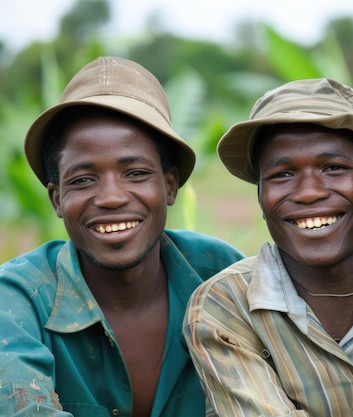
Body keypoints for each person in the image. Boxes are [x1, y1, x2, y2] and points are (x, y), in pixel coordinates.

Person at [182, 78, 353, 417]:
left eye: (333, 168)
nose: (309, 192)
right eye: (283, 174)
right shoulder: (227, 306)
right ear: (261, 196)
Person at [0, 56, 244, 417]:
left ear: (170, 185)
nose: (111, 197)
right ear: (57, 200)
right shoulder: (19, 297)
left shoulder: (222, 276)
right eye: (83, 180)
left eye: (135, 173)